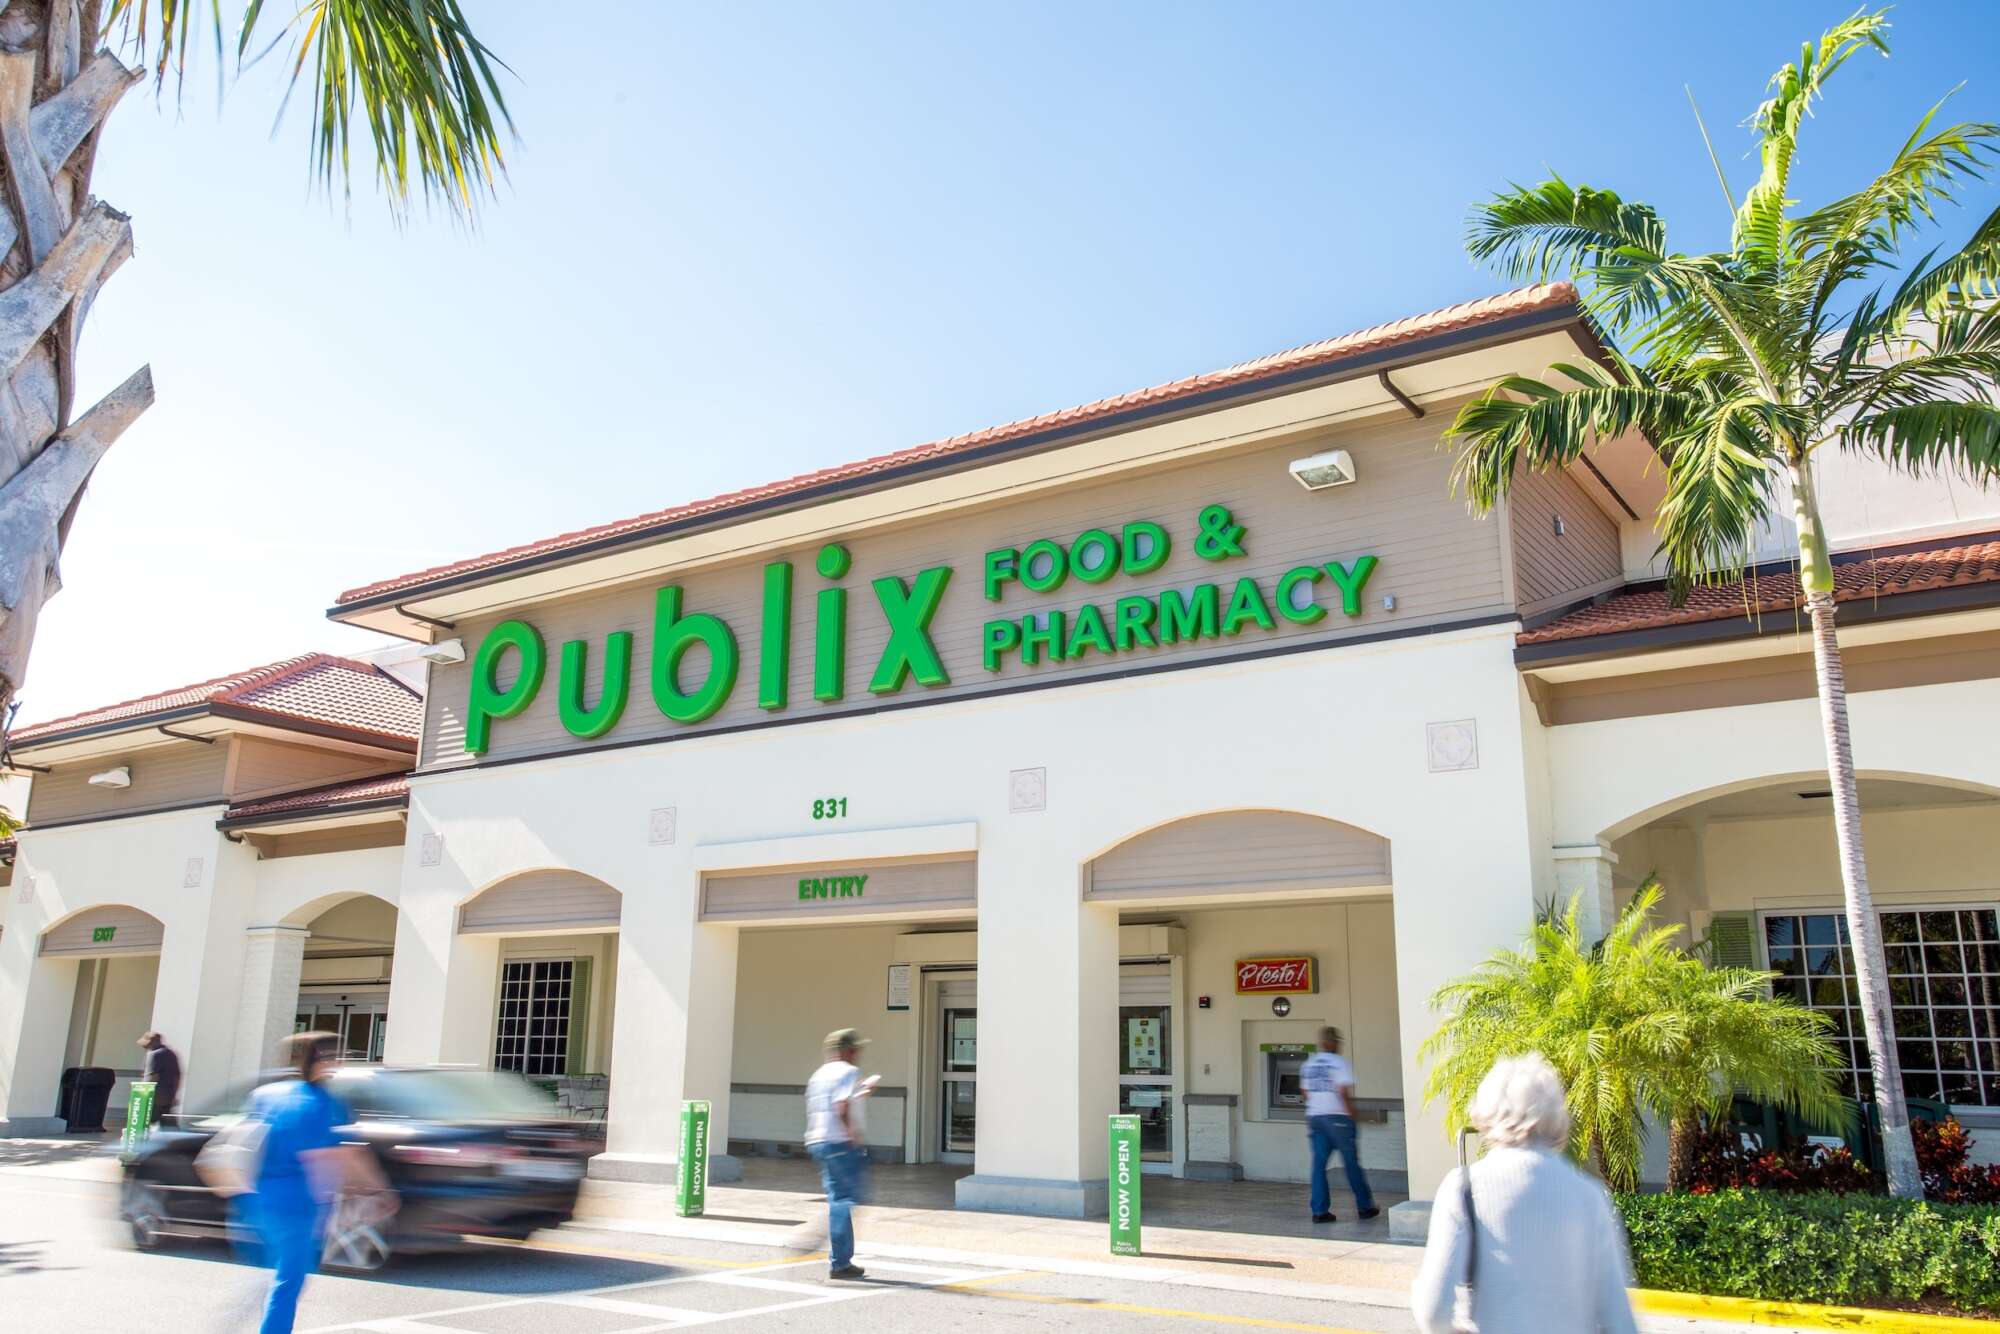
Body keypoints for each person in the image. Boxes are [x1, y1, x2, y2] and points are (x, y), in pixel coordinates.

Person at [1410, 1053, 1638, 1334]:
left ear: (1486, 1113)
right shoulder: (1589, 1195)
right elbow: (1620, 1320)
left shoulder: (1463, 1189)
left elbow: (1433, 1312)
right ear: (1557, 1116)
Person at [246, 1032, 393, 1334]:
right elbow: (339, 1156)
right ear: (320, 1060)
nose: (337, 1063)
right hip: (299, 1202)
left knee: (274, 1274)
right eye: (333, 1056)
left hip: (259, 1197)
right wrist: (379, 1191)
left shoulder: (266, 1095)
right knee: (288, 1281)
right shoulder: (322, 1103)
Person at [803, 1027, 877, 1281]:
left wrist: (863, 1091)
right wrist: (852, 1136)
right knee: (845, 1200)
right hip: (839, 1142)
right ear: (846, 1050)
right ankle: (837, 1258)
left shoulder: (819, 1074)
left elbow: (838, 1099)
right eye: (855, 1049)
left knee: (840, 1197)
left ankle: (838, 1254)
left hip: (818, 1141)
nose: (858, 1053)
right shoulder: (848, 1071)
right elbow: (842, 1105)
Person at [1301, 1025, 1377, 1223]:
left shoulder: (1309, 1064)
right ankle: (1365, 1207)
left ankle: (1319, 1211)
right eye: (1337, 1042)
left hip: (1315, 1118)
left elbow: (1305, 1093)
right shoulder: (1339, 1063)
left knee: (1319, 1165)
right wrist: (1351, 1114)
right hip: (1338, 1118)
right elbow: (1343, 1092)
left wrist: (1319, 1104)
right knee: (1351, 1164)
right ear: (1332, 1043)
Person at [136, 1031, 180, 1127]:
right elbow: (177, 1077)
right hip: (168, 1096)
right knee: (167, 1123)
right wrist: (174, 1094)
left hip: (155, 1097)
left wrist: (143, 1096)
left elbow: (152, 1077)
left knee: (145, 1123)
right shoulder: (171, 1053)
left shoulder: (154, 1054)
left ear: (149, 1043)